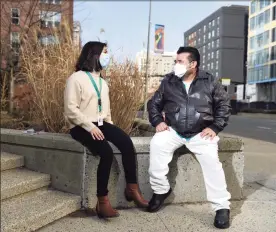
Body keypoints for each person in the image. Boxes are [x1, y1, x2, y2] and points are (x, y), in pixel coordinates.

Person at [147, 46, 231, 229]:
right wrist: (156, 121)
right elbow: (153, 104)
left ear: (193, 64)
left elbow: (224, 106)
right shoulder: (168, 81)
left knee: (212, 164)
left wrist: (215, 127)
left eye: (180, 61)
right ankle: (160, 190)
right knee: (157, 145)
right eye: (175, 61)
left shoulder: (210, 81)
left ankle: (221, 207)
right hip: (174, 131)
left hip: (201, 133)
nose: (176, 65)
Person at [64, 41, 148, 218]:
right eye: (105, 52)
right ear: (94, 54)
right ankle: (102, 202)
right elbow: (71, 110)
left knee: (126, 142)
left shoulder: (103, 82)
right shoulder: (76, 78)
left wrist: (111, 128)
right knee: (106, 152)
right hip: (81, 126)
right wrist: (89, 126)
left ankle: (132, 188)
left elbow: (106, 111)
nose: (108, 56)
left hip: (101, 123)